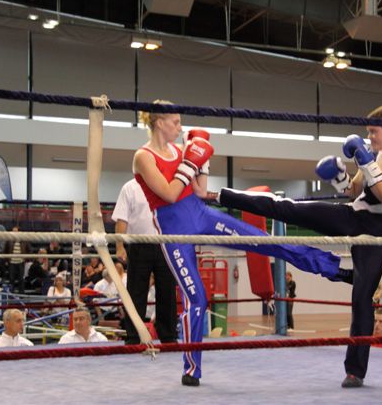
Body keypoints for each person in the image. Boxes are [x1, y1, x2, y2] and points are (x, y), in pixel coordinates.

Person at [132, 100, 341, 387]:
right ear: (159, 122)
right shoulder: (143, 157)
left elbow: (200, 191)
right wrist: (190, 162)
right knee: (197, 298)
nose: (180, 127)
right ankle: (192, 369)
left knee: (264, 242)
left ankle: (332, 267)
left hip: (201, 214)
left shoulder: (180, 151)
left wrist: (202, 162)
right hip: (174, 232)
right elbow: (168, 194)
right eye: (175, 122)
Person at [214, 105, 382, 388]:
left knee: (362, 298)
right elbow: (354, 191)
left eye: (374, 132)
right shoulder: (376, 156)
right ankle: (220, 196)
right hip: (353, 217)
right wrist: (339, 177)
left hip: (378, 237)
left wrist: (365, 161)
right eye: (368, 132)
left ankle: (355, 371)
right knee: (290, 208)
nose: (369, 137)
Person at [113, 178, 178, 345]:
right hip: (138, 244)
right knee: (136, 292)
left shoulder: (168, 184)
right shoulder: (129, 187)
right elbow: (121, 219)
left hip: (165, 243)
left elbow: (178, 214)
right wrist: (120, 246)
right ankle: (134, 336)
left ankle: (168, 336)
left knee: (167, 291)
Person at [4, 225, 31, 294]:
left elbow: (29, 250)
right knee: (11, 278)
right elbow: (5, 250)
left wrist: (26, 259)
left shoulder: (24, 240)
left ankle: (21, 293)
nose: (14, 232)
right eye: (13, 231)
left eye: (15, 231)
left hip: (21, 262)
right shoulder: (9, 240)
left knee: (21, 279)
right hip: (12, 262)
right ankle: (11, 293)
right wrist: (6, 260)